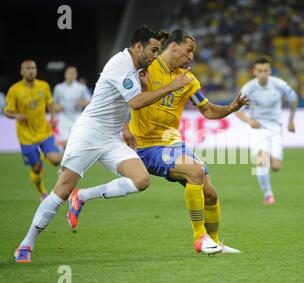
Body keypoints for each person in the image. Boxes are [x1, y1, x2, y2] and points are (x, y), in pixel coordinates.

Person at [14, 26, 192, 263]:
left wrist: (125, 128)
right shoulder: (121, 65)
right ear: (138, 46)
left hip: (110, 137)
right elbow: (136, 102)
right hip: (88, 132)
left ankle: (83, 196)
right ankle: (26, 244)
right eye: (153, 50)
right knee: (62, 189)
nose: (155, 55)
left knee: (141, 180)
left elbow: (116, 102)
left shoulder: (137, 67)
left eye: (158, 50)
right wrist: (171, 86)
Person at [85, 29, 248, 255]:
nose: (191, 57)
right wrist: (124, 127)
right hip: (146, 146)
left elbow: (208, 111)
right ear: (173, 46)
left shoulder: (187, 79)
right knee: (194, 172)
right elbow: (118, 97)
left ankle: (216, 242)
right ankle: (200, 238)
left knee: (210, 193)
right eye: (189, 50)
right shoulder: (145, 69)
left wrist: (232, 107)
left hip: (173, 143)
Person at [236, 57, 298, 205]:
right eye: (260, 71)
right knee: (261, 162)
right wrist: (250, 121)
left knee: (275, 167)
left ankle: (267, 156)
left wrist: (291, 120)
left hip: (276, 128)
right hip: (257, 128)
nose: (263, 74)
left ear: (270, 71)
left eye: (266, 70)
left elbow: (294, 98)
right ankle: (268, 194)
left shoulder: (279, 84)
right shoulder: (248, 88)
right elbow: (236, 110)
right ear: (254, 72)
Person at [4, 60, 62, 201]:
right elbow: (7, 111)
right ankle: (42, 191)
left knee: (56, 160)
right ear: (22, 71)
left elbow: (50, 103)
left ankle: (43, 156)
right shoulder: (14, 90)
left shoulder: (43, 86)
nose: (31, 70)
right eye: (28, 68)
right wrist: (17, 115)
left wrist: (53, 117)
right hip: (26, 136)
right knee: (36, 168)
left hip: (44, 131)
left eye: (33, 68)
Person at [53, 66, 91, 148]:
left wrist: (82, 102)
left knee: (77, 141)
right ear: (65, 75)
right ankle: (67, 158)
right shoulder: (58, 88)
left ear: (76, 75)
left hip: (77, 116)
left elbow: (89, 101)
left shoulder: (81, 87)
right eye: (69, 73)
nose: (71, 75)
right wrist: (57, 107)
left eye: (73, 73)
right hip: (63, 117)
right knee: (65, 142)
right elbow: (53, 103)